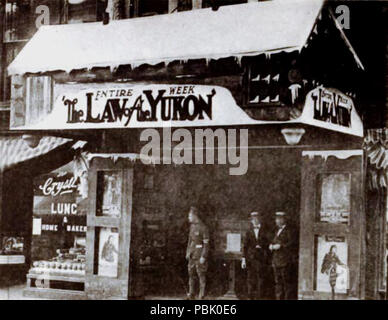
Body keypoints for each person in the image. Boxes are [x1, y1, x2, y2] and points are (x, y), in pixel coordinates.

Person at [241, 211, 268, 300]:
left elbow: (268, 242)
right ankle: (250, 297)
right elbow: (245, 246)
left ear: (259, 219)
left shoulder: (265, 230)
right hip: (251, 259)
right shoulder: (249, 231)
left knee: (261, 279)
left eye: (256, 218)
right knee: (250, 279)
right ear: (251, 220)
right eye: (253, 219)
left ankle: (260, 297)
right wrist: (244, 259)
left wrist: (262, 246)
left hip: (261, 258)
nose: (255, 220)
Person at [186, 206, 210, 300]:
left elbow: (206, 244)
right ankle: (191, 294)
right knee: (191, 275)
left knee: (201, 275)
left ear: (194, 215)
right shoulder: (192, 227)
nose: (189, 218)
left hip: (199, 255)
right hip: (192, 255)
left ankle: (201, 295)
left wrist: (203, 256)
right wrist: (188, 252)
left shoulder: (203, 228)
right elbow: (190, 241)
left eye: (190, 216)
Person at [269, 211, 293, 300]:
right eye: (276, 219)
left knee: (286, 283)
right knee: (278, 283)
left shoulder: (289, 231)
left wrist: (280, 246)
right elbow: (274, 241)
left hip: (285, 262)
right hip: (276, 261)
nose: (277, 221)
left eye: (279, 219)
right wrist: (271, 245)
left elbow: (291, 244)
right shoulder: (277, 231)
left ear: (284, 220)